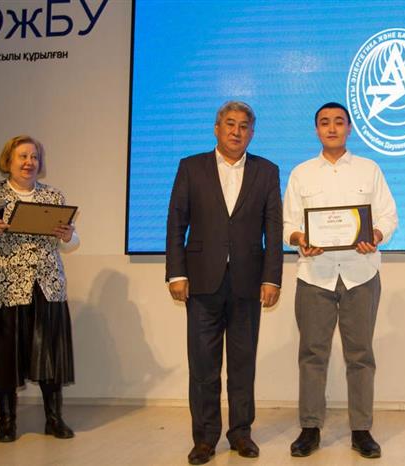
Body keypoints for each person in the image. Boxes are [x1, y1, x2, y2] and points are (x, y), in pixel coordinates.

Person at [166, 101, 283, 465]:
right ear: (217, 129)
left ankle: (241, 434)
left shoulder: (267, 171)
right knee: (203, 364)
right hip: (202, 281)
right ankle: (204, 439)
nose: (236, 131)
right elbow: (176, 222)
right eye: (230, 124)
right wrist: (176, 273)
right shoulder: (191, 167)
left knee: (243, 363)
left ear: (252, 133)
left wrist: (272, 278)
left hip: (249, 282)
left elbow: (273, 230)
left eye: (244, 126)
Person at [283, 102, 398, 458]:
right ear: (316, 130)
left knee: (360, 355)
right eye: (324, 123)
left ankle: (361, 431)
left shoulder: (369, 169)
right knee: (312, 354)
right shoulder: (301, 173)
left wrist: (375, 234)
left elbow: (388, 216)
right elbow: (288, 224)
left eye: (338, 122)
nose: (331, 128)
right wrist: (300, 239)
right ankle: (310, 429)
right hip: (314, 275)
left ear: (349, 128)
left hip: (360, 274)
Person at [0, 135, 79, 442]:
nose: (29, 162)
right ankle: (7, 422)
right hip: (1, 289)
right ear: (8, 160)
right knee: (4, 357)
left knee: (48, 355)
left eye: (34, 157)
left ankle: (54, 419)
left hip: (45, 286)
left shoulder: (53, 196)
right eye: (22, 156)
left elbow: (70, 242)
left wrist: (68, 235)